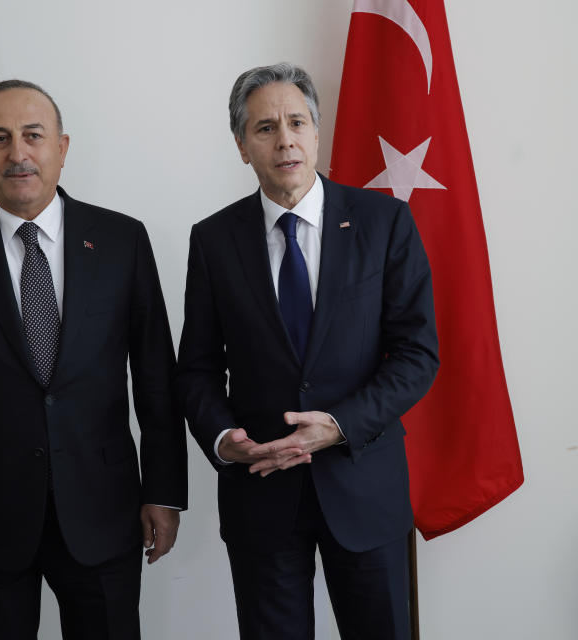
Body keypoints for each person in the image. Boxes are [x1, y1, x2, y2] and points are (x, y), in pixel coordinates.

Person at [0, 79, 187, 639]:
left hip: (106, 513)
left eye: (33, 136)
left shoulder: (123, 240)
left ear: (62, 147)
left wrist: (164, 493)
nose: (18, 153)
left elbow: (156, 382)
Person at [176, 63, 439, 639]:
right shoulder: (213, 240)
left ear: (317, 133)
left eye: (297, 122)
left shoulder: (383, 221)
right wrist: (225, 441)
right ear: (243, 146)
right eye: (265, 127)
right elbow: (196, 369)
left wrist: (340, 425)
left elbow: (418, 354)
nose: (285, 139)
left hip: (364, 489)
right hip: (262, 496)